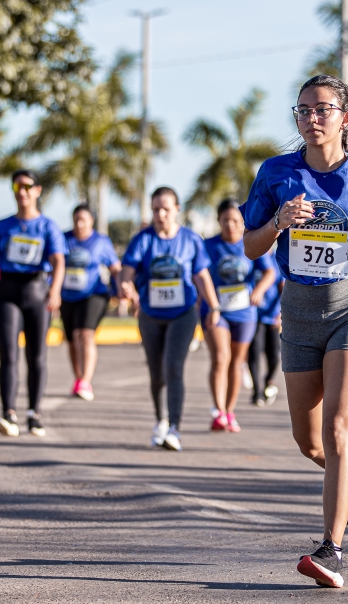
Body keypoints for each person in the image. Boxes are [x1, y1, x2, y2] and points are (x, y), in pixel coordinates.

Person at [241, 74, 348, 589]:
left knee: (340, 427)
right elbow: (250, 246)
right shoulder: (276, 173)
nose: (311, 118)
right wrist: (278, 222)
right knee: (310, 442)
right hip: (298, 313)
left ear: (346, 118)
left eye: (322, 109)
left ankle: (331, 550)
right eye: (303, 110)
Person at [119, 186, 220, 452]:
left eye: (165, 209)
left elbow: (200, 275)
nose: (160, 214)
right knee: (156, 373)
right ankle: (160, 420)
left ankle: (175, 427)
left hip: (183, 314)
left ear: (177, 209)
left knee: (173, 367)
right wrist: (126, 286)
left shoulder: (190, 239)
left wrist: (214, 305)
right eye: (155, 209)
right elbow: (127, 271)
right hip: (150, 315)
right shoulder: (143, 240)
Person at [0, 171, 65, 438]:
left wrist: (55, 291)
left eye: (27, 186)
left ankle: (34, 414)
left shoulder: (48, 226)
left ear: (38, 190)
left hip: (37, 291)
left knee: (37, 356)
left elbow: (58, 261)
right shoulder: (3, 226)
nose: (22, 191)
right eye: (17, 186)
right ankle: (8, 413)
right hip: (8, 291)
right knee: (8, 355)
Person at [203, 198, 275, 432]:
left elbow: (270, 272)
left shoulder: (250, 243)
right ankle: (218, 412)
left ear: (242, 221)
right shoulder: (208, 246)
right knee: (220, 357)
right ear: (218, 220)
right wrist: (207, 303)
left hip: (244, 312)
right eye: (225, 220)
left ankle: (229, 411)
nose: (230, 225)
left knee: (236, 362)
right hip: (215, 311)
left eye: (235, 220)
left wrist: (259, 290)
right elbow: (198, 275)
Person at [61, 204, 121, 402]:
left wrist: (121, 286)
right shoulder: (64, 239)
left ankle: (86, 381)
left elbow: (115, 267)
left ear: (91, 221)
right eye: (76, 220)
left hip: (94, 294)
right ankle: (78, 378)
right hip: (67, 296)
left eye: (84, 220)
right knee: (72, 339)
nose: (80, 224)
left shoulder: (101, 241)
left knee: (85, 334)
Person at [248, 249, 283, 407]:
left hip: (272, 316)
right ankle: (257, 392)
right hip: (254, 315)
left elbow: (283, 288)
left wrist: (281, 313)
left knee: (274, 355)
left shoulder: (278, 257)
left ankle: (269, 379)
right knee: (254, 352)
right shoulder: (251, 255)